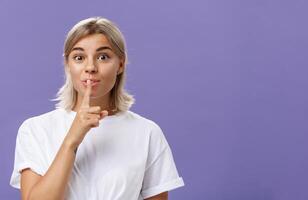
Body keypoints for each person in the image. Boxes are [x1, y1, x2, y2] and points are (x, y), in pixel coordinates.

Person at [10, 17, 185, 200]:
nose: (90, 67)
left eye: (103, 57)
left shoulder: (147, 132)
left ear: (120, 64)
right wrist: (72, 141)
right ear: (68, 65)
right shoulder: (35, 130)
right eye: (79, 57)